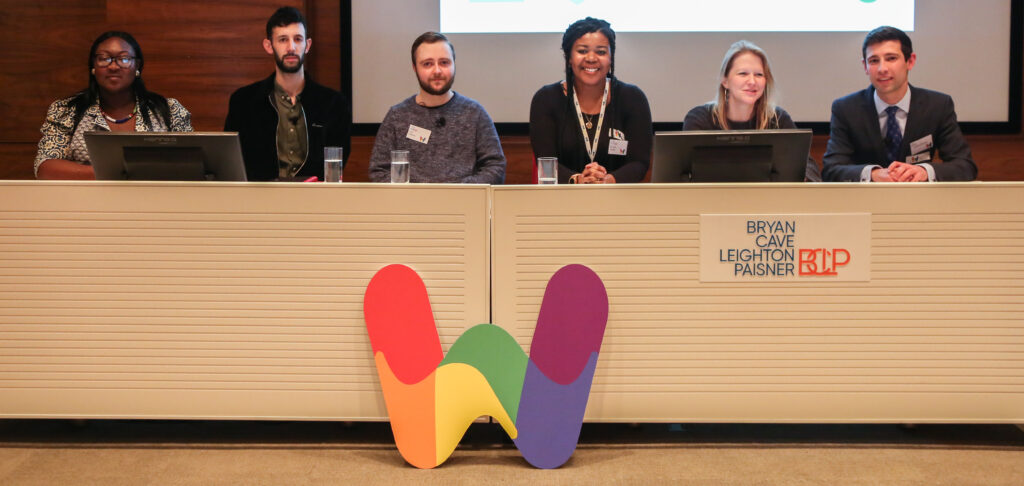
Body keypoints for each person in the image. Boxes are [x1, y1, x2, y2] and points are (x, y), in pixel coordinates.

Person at [822, 26, 977, 182]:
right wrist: (872, 174)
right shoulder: (846, 109)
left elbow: (965, 166)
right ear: (865, 67)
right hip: (865, 203)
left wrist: (924, 171)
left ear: (910, 61)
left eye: (891, 58)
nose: (882, 69)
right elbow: (831, 169)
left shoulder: (938, 106)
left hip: (919, 201)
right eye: (874, 61)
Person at [34, 31, 193, 180]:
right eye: (104, 58)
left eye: (124, 59)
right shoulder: (66, 110)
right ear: (93, 66)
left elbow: (193, 164)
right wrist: (115, 173)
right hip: (85, 205)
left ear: (137, 65)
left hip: (157, 203)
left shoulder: (169, 110)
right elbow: (45, 167)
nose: (113, 66)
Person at [225, 6, 351, 181]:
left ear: (307, 46)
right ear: (269, 46)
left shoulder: (333, 104)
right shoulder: (244, 102)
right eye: (283, 39)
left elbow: (336, 166)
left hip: (315, 201)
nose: (291, 47)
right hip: (259, 201)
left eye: (298, 39)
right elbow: (233, 163)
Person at [368, 32, 505, 183]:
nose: (437, 71)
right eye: (427, 64)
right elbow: (378, 171)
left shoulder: (474, 113)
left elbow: (495, 167)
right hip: (411, 205)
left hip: (464, 204)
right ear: (415, 68)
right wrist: (419, 196)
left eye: (444, 62)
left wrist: (456, 192)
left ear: (454, 64)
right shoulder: (397, 116)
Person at [529, 17, 652, 184]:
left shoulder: (632, 98)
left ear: (610, 58)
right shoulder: (546, 100)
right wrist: (578, 180)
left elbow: (639, 162)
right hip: (561, 201)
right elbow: (545, 162)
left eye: (601, 52)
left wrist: (609, 181)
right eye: (582, 51)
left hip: (619, 200)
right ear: (569, 57)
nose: (591, 58)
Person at [682, 40, 821, 182]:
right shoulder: (700, 119)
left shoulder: (778, 119)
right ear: (725, 81)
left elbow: (808, 167)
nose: (752, 82)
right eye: (743, 74)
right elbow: (684, 173)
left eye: (759, 75)